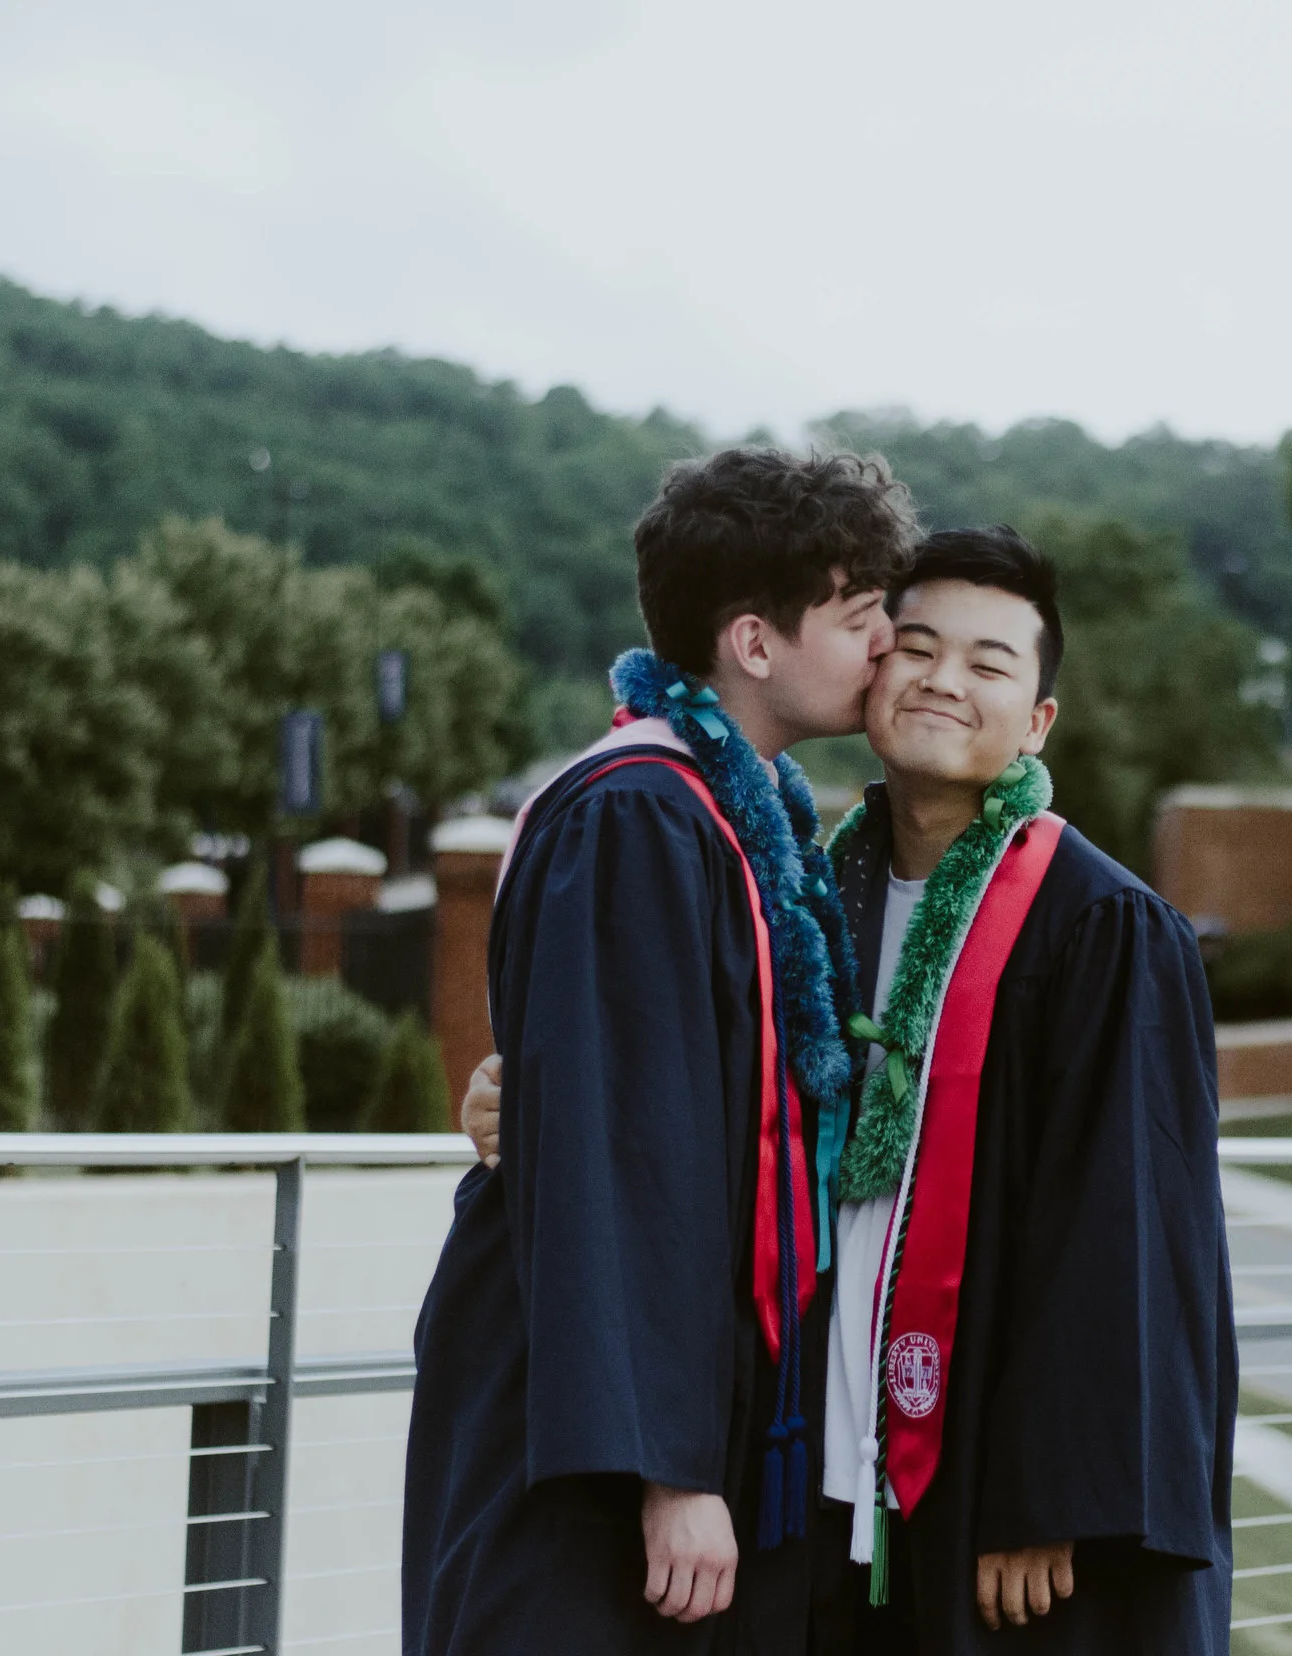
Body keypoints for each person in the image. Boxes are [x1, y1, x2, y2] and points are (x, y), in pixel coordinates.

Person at [463, 527, 1238, 1654]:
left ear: (1038, 720)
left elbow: (1131, 1234)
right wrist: (521, 1100)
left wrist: (1052, 1500)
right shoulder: (808, 905)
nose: (942, 679)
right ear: (871, 673)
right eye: (915, 646)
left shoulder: (1099, 926)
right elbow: (694, 1117)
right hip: (812, 1487)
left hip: (990, 1499)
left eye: (988, 664)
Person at [402, 446, 914, 1656]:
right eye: (858, 615)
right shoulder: (637, 813)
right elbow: (620, 1152)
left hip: (687, 1402)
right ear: (754, 643)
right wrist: (668, 1471)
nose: (886, 641)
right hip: (589, 1438)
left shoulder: (746, 813)